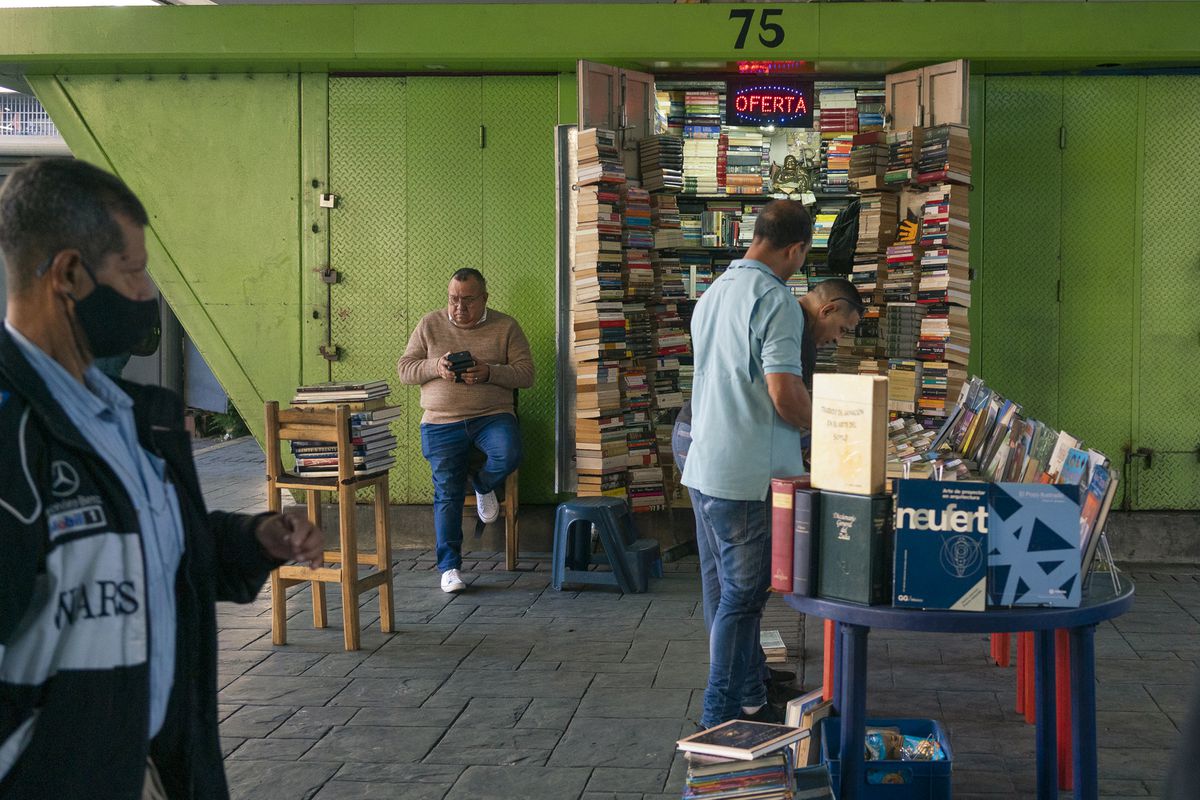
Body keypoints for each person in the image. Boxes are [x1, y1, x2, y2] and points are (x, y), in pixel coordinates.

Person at [0, 158, 323, 799]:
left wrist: (251, 540)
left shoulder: (133, 417)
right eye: (133, 270)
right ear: (69, 275)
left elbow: (142, 546)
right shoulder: (13, 434)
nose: (147, 292)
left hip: (156, 770)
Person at [672, 275, 863, 710]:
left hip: (696, 438)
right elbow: (785, 404)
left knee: (721, 581)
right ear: (828, 308)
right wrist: (839, 435)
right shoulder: (791, 326)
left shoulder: (734, 301)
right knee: (738, 590)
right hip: (724, 453)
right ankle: (741, 696)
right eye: (841, 329)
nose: (837, 339)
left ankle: (747, 675)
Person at [681, 199, 826, 729]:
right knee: (742, 603)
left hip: (705, 466)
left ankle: (748, 700)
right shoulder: (776, 299)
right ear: (796, 249)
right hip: (748, 477)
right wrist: (832, 426)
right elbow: (784, 393)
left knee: (726, 597)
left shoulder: (713, 292)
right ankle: (717, 718)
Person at [396, 268, 534, 594]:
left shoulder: (506, 326)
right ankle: (450, 568)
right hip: (441, 421)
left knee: (509, 453)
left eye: (468, 300)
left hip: (491, 416)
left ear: (484, 298)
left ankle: (483, 484)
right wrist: (436, 366)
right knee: (447, 491)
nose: (459, 308)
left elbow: (526, 374)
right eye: (453, 299)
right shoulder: (429, 324)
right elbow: (405, 370)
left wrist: (489, 373)